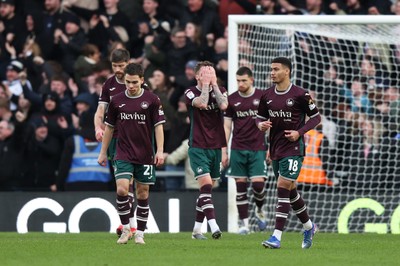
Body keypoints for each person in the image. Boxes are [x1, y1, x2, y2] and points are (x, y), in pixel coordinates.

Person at [256, 57, 320, 249]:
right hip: (275, 148)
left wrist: (298, 133)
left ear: (287, 71)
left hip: (294, 149)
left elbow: (315, 117)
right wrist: (260, 125)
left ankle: (276, 236)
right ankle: (309, 226)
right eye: (271, 69)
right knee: (291, 192)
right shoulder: (266, 95)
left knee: (282, 186)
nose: (272, 72)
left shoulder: (301, 94)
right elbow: (259, 118)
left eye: (276, 69)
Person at [97, 63, 165, 245]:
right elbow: (109, 128)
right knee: (121, 188)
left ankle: (140, 233)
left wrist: (159, 150)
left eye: (135, 82)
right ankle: (126, 228)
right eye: (128, 82)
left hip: (145, 153)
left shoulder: (152, 100)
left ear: (142, 80)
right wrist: (103, 152)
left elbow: (159, 127)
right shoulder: (117, 101)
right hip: (123, 151)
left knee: (142, 194)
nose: (131, 86)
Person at [93, 48, 137, 237]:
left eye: (121, 65)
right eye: (115, 66)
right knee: (122, 184)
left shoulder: (137, 82)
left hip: (135, 137)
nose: (118, 69)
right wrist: (98, 127)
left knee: (131, 183)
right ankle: (129, 223)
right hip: (115, 139)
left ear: (128, 63)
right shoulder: (109, 85)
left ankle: (130, 224)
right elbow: (100, 112)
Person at [184, 61, 228, 240]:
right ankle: (213, 225)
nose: (210, 75)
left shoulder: (221, 89)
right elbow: (202, 103)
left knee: (206, 190)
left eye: (212, 72)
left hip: (215, 145)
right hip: (198, 145)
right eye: (206, 73)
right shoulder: (190, 92)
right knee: (207, 184)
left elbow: (224, 105)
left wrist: (214, 85)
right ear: (197, 76)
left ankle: (196, 230)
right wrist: (205, 86)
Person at [222, 66, 268, 235]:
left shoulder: (262, 97)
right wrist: (224, 150)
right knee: (240, 186)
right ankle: (244, 224)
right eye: (238, 81)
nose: (240, 84)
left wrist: (272, 147)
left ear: (251, 80)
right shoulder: (232, 100)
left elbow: (271, 125)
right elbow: (227, 126)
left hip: (258, 148)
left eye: (244, 81)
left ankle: (260, 210)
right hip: (238, 148)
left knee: (258, 184)